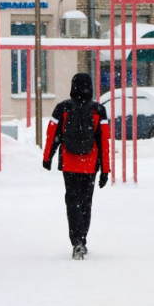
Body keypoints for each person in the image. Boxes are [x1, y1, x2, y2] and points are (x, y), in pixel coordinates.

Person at [43, 72, 111, 260]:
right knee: (86, 202)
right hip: (90, 165)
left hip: (69, 163)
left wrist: (47, 157)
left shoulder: (62, 108)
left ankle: (76, 242)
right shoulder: (98, 110)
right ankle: (82, 238)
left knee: (72, 202)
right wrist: (105, 170)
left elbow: (52, 134)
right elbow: (104, 140)